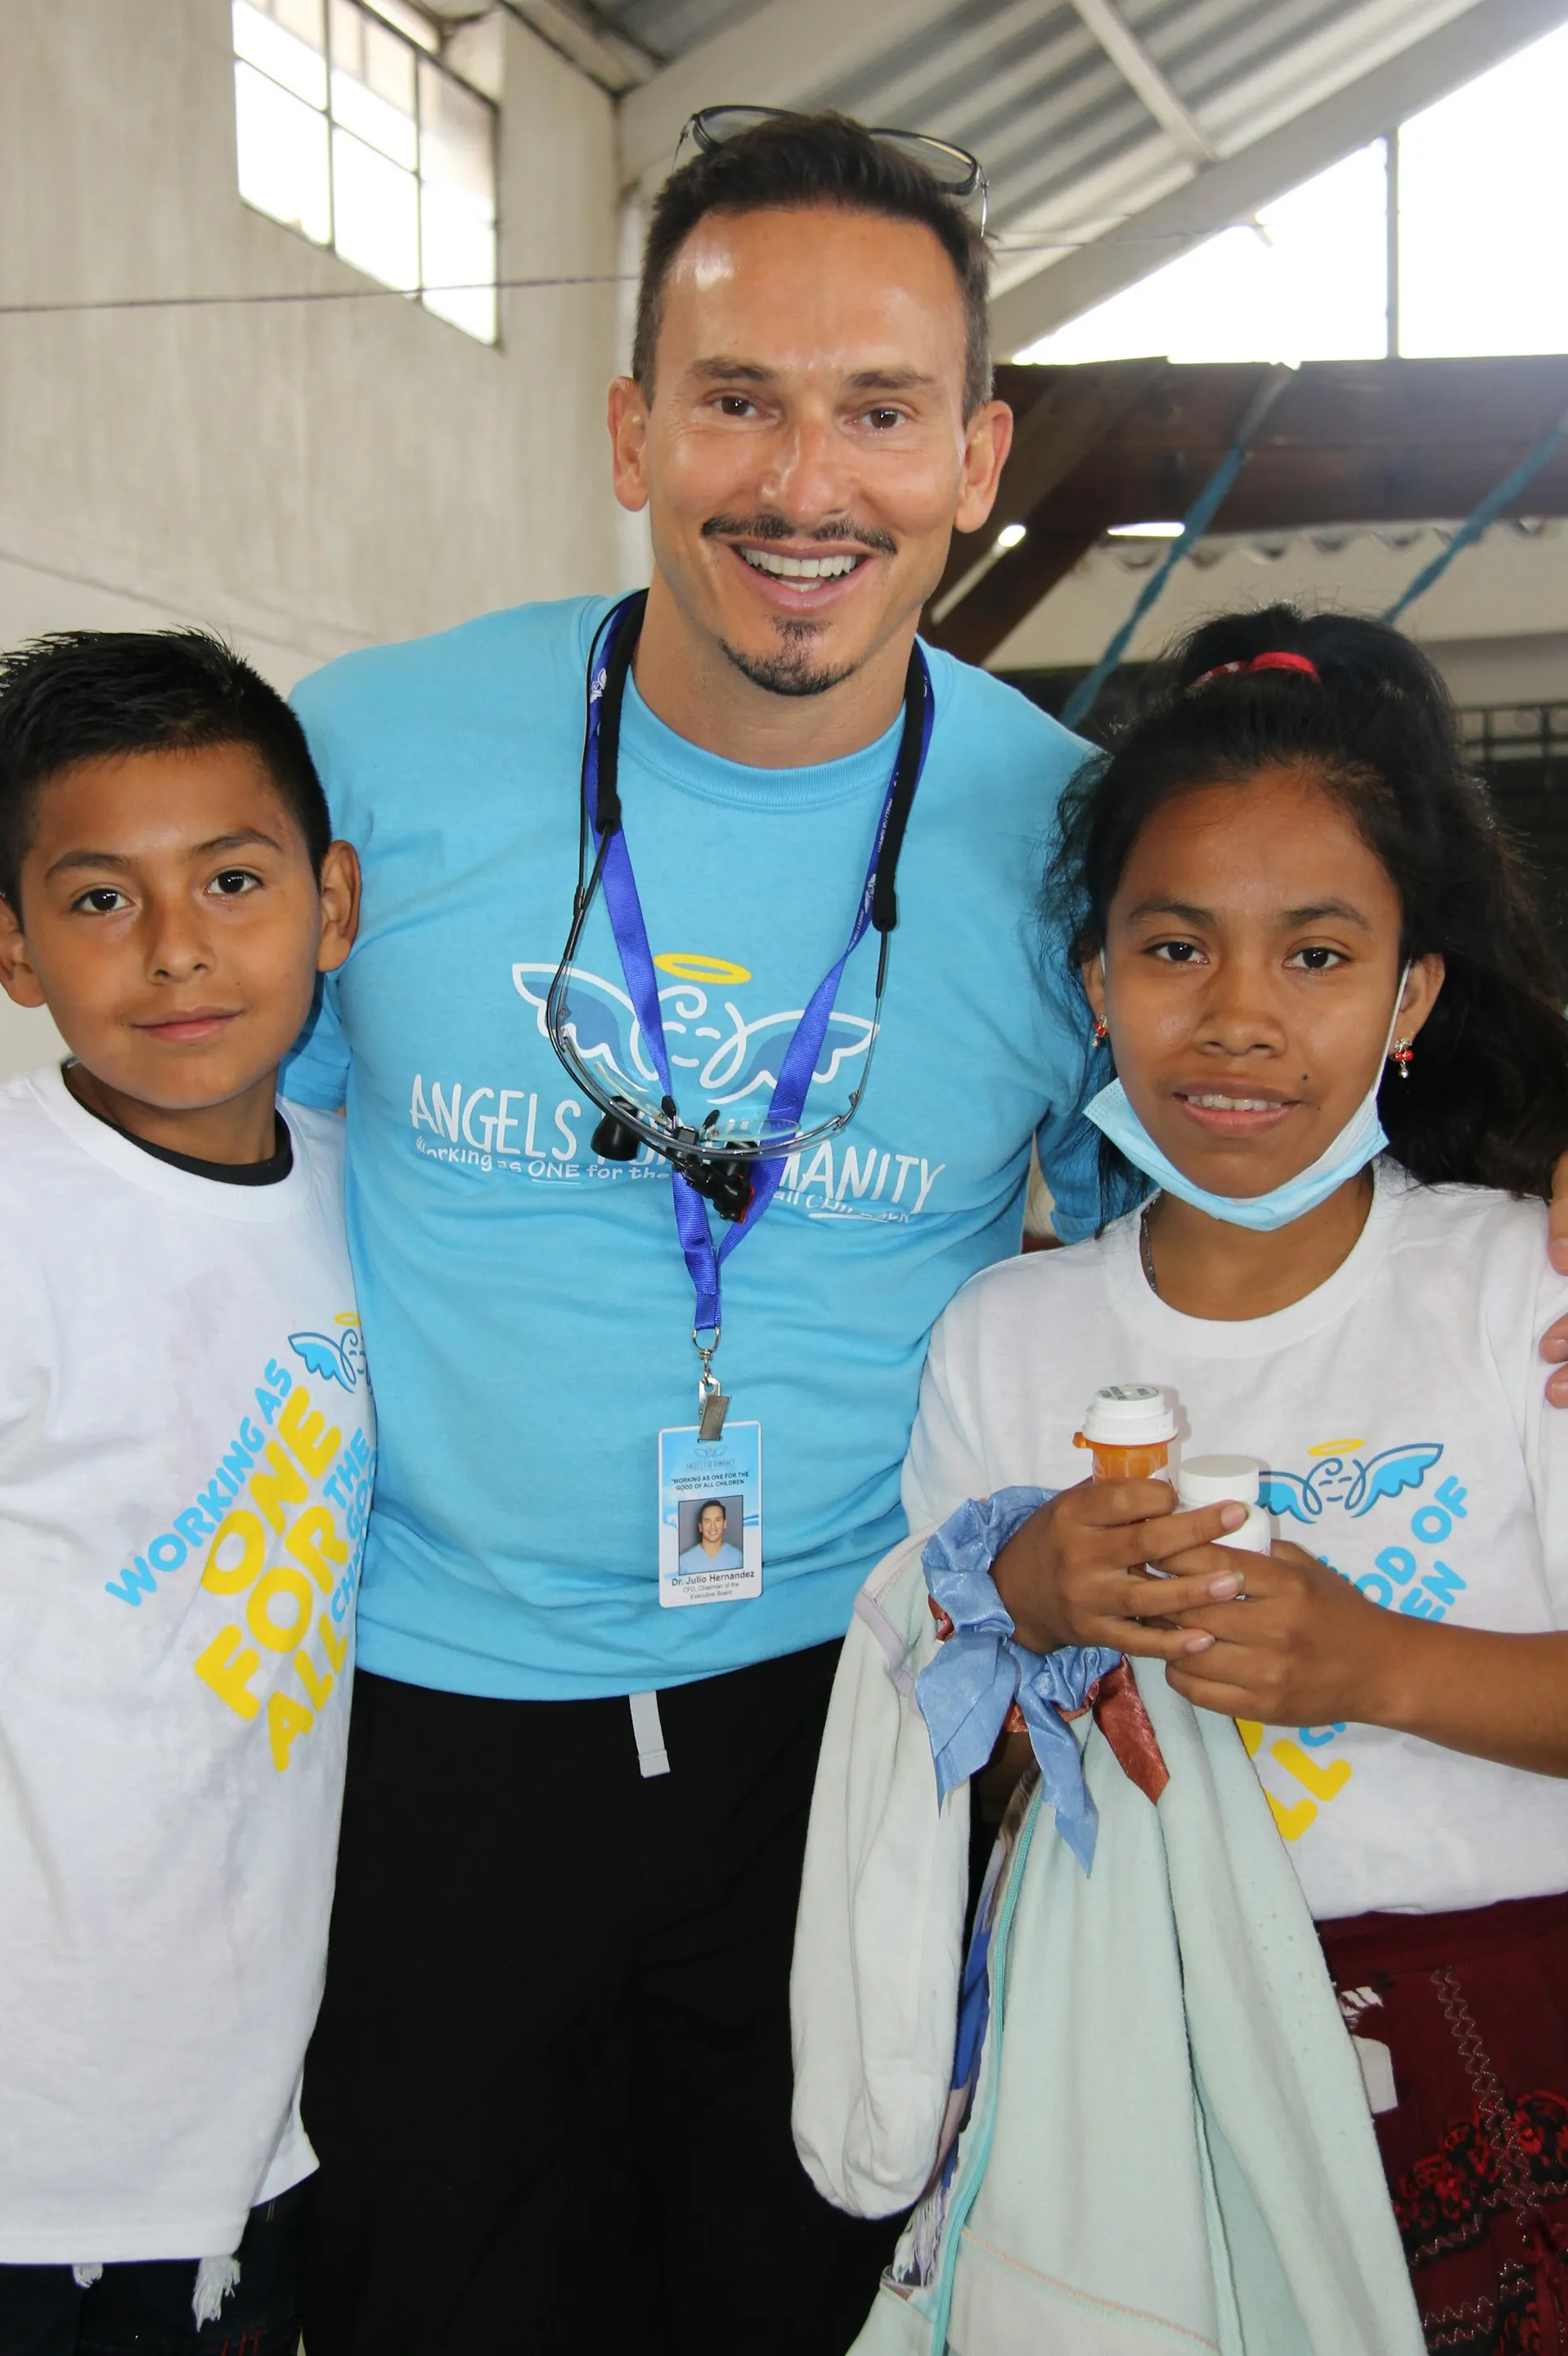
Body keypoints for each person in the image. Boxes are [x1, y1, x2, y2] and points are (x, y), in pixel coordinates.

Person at [282, 108, 1107, 2355]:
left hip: (842, 1724)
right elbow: (178, 1153)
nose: (803, 485)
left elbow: (1219, 1198)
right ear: (634, 428)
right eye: (737, 401)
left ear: (976, 452)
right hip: (425, 1724)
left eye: (878, 411)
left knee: (811, 2307)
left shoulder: (1072, 844)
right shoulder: (367, 761)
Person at [793, 608, 1568, 2354]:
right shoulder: (1007, 1334)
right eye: (1173, 949)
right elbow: (941, 1746)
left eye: (1316, 957)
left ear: (1412, 994)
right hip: (1138, 2057)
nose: (1238, 1021)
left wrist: (1383, 1669)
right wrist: (1022, 1606)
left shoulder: (1520, 1290)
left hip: (1501, 2043)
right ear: (1095, 985)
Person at [0, 631, 369, 2356]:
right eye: (96, 901)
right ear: (11, 943)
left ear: (331, 902)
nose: (176, 951)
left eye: (231, 878)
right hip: (34, 2143)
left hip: (251, 2129)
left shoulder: (379, 1206)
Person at [679, 1497, 744, 1575]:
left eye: (718, 1520)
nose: (713, 1526)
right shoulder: (683, 1562)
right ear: (700, 1527)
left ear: (725, 1524)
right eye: (707, 1521)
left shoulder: (739, 1558)